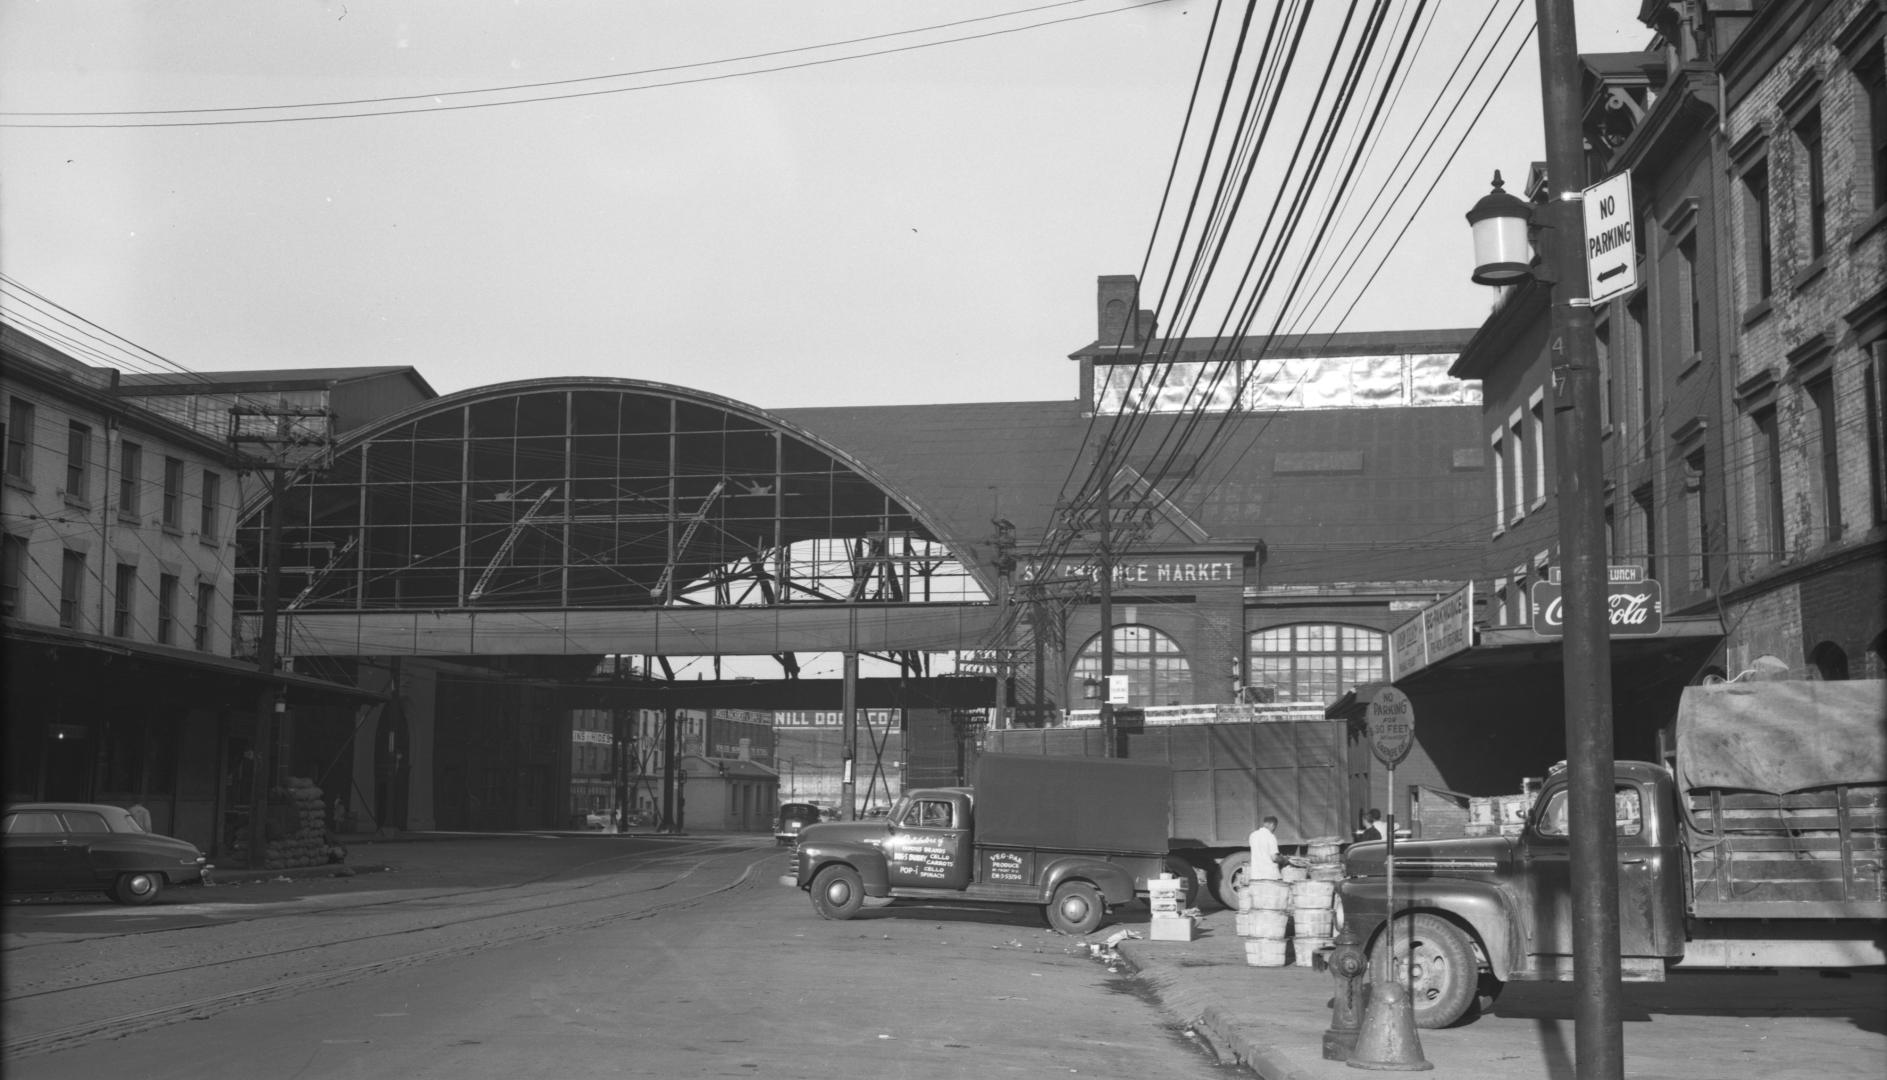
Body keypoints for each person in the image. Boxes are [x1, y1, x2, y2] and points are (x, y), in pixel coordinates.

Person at [1247, 815, 1283, 881]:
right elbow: (1274, 858)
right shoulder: (1271, 836)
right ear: (1272, 825)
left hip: (1255, 875)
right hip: (1269, 876)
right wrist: (1283, 860)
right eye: (1275, 827)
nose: (1274, 829)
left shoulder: (1253, 835)